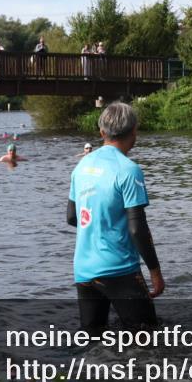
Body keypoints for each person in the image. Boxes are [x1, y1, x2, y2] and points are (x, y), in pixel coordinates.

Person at [66, 102, 165, 337]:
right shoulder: (128, 170)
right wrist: (155, 272)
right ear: (134, 131)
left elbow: (72, 217)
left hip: (84, 269)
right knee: (149, 341)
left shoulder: (82, 166)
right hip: (119, 269)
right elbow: (137, 229)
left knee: (93, 339)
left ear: (102, 133)